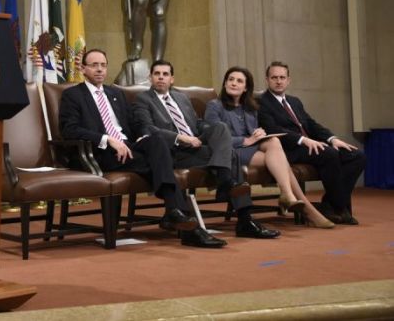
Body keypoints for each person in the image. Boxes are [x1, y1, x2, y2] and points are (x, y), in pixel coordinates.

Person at [59, 49, 206, 247]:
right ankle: (178, 215)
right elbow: (69, 130)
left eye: (103, 65)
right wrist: (107, 139)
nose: (100, 70)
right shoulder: (73, 95)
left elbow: (134, 124)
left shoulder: (115, 93)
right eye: (94, 65)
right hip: (98, 152)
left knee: (157, 141)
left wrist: (143, 136)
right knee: (161, 162)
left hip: (128, 147)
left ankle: (175, 213)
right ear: (83, 68)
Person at [132, 60, 281, 242]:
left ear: (172, 79)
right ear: (150, 78)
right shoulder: (143, 99)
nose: (161, 77)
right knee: (231, 155)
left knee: (220, 129)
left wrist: (209, 130)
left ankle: (240, 211)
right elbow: (148, 129)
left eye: (165, 74)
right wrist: (181, 138)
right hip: (172, 151)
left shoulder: (181, 98)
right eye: (157, 74)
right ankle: (239, 209)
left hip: (194, 145)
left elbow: (196, 124)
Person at [205, 67, 334, 228]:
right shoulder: (214, 106)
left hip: (250, 148)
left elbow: (252, 134)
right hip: (230, 152)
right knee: (282, 164)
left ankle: (289, 196)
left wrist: (259, 133)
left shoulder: (250, 108)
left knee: (273, 141)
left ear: (246, 88)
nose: (234, 83)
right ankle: (302, 205)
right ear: (224, 83)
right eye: (230, 79)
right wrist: (246, 140)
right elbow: (213, 137)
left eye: (239, 81)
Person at [258, 61, 366, 225]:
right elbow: (272, 129)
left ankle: (330, 206)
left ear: (289, 80)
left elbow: (311, 124)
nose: (278, 81)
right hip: (288, 149)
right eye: (274, 77)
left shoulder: (294, 101)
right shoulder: (261, 102)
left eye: (282, 77)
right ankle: (339, 208)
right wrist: (303, 140)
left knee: (357, 155)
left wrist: (332, 139)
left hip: (310, 146)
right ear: (267, 80)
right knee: (329, 154)